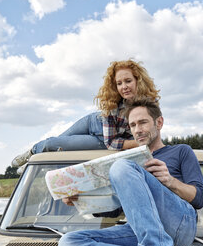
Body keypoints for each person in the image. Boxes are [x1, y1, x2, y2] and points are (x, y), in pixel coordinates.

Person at [58, 99, 203, 246]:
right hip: (140, 231)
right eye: (132, 125)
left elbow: (200, 198)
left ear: (159, 123)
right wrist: (81, 198)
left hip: (179, 224)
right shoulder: (128, 161)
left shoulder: (180, 151)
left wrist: (171, 182)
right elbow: (116, 208)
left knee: (121, 166)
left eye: (142, 123)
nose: (137, 130)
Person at [11, 60, 160, 169]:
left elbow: (113, 143)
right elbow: (124, 142)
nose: (124, 87)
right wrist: (139, 142)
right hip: (93, 122)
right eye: (119, 83)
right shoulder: (112, 105)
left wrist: (142, 141)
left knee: (54, 146)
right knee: (56, 141)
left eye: (128, 81)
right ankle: (32, 154)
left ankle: (33, 161)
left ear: (138, 81)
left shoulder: (149, 105)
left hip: (103, 140)